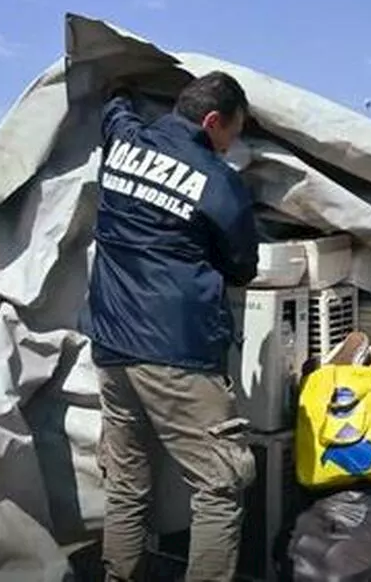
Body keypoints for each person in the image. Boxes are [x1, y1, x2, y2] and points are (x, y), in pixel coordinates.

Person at [87, 70, 261, 582]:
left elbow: (114, 105)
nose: (234, 142)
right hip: (177, 353)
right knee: (220, 483)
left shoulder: (124, 139)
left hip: (113, 348)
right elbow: (242, 266)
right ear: (212, 121)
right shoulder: (218, 180)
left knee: (125, 482)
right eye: (234, 130)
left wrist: (123, 82)